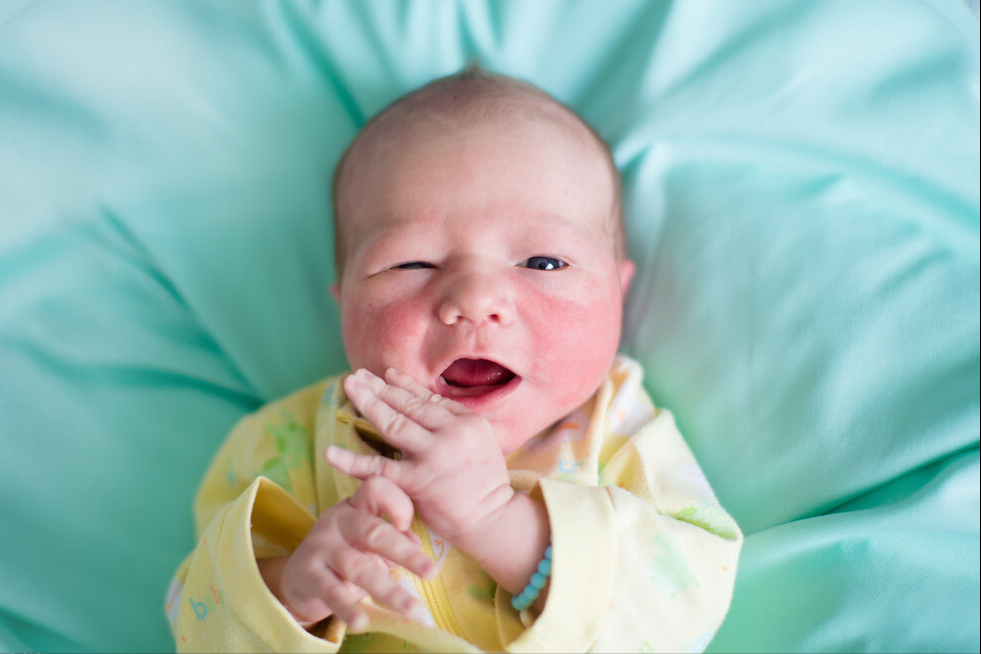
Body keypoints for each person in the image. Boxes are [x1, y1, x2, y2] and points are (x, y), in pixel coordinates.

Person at [165, 67, 743, 653]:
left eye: (543, 262)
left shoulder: (620, 432)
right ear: (345, 305)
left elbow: (690, 601)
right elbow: (195, 619)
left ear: (617, 292)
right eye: (412, 264)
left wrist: (500, 523)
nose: (474, 300)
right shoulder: (286, 444)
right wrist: (290, 591)